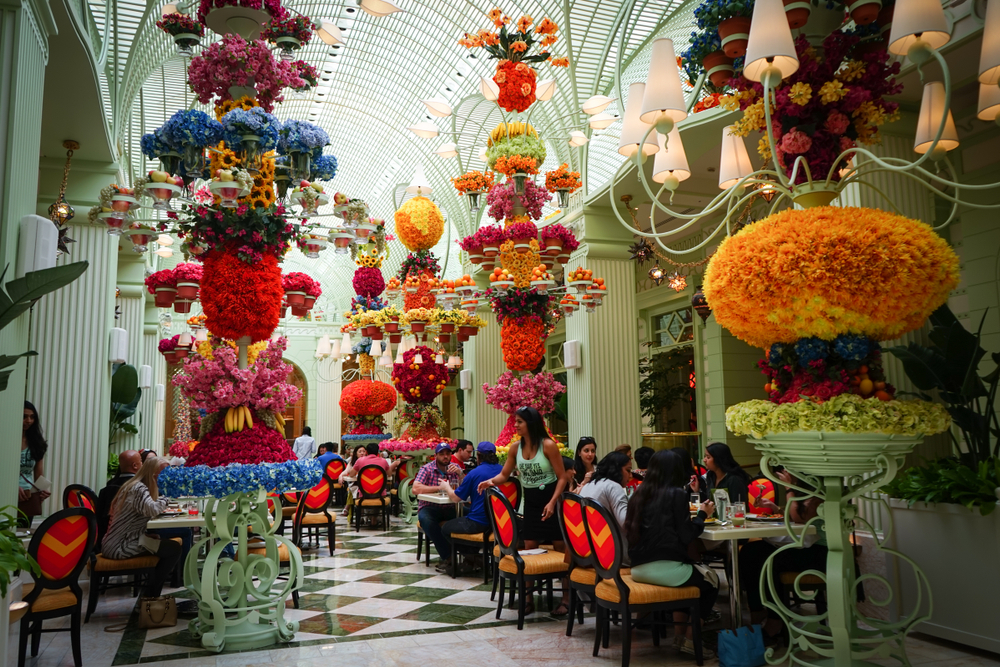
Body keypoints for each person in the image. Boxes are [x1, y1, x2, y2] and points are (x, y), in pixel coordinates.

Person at [624, 450, 718, 658]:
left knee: (688, 583)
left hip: (638, 569)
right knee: (711, 582)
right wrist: (702, 514)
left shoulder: (638, 493)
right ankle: (691, 640)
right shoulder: (676, 493)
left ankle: (679, 638)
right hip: (665, 569)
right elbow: (687, 536)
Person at [478, 406, 569, 615]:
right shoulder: (515, 448)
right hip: (531, 504)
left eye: (520, 421)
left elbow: (562, 477)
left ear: (531, 423)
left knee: (561, 549)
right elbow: (504, 475)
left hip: (551, 502)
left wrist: (553, 502)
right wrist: (490, 482)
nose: (516, 425)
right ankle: (527, 599)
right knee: (529, 548)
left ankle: (566, 599)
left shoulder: (548, 446)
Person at [739, 469, 826, 643]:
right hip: (802, 544)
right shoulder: (802, 493)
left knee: (771, 561)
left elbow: (798, 516)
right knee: (750, 552)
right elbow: (794, 515)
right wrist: (775, 508)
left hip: (820, 551)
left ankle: (776, 619)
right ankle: (757, 609)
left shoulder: (819, 495)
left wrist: (789, 488)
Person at [101, 456, 181, 597]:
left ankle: (150, 592)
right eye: (164, 474)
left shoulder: (134, 485)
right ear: (152, 473)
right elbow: (152, 509)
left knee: (166, 545)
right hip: (120, 547)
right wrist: (169, 492)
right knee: (174, 549)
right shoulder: (138, 488)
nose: (167, 478)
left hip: (114, 543)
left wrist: (145, 535)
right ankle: (150, 596)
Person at [439, 442, 503, 569]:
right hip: (500, 522)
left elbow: (456, 498)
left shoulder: (475, 473)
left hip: (479, 522)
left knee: (445, 528)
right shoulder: (503, 471)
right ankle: (473, 560)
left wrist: (446, 487)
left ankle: (474, 558)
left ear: (478, 456)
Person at [413, 443, 463, 570]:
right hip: (430, 507)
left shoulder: (455, 468)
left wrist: (460, 473)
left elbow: (466, 486)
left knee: (472, 514)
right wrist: (439, 488)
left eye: (448, 454)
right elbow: (415, 488)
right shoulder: (427, 469)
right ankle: (448, 556)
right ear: (435, 456)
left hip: (450, 507)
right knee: (427, 521)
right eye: (442, 454)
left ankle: (471, 556)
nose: (445, 457)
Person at [95, 449, 142, 544]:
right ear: (135, 466)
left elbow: (100, 519)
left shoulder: (106, 488)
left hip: (104, 541)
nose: (142, 464)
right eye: (141, 461)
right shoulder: (140, 487)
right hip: (129, 541)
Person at [579, 451, 632, 531]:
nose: (630, 475)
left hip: (588, 537)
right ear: (616, 469)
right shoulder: (613, 486)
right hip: (609, 537)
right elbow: (626, 524)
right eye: (628, 470)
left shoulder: (588, 485)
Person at [18, 401, 51, 527]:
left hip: (28, 498)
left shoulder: (36, 443)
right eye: (24, 416)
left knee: (22, 533)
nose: (28, 421)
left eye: (32, 417)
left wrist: (42, 491)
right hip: (7, 494)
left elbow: (38, 475)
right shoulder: (7, 439)